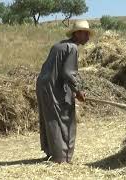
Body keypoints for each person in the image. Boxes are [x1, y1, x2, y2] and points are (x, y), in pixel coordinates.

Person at [36, 20, 94, 163]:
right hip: (52, 88)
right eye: (85, 34)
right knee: (63, 119)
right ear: (77, 33)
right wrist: (78, 91)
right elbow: (68, 73)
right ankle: (61, 157)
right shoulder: (72, 48)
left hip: (43, 86)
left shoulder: (59, 45)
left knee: (49, 119)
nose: (88, 37)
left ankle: (51, 153)